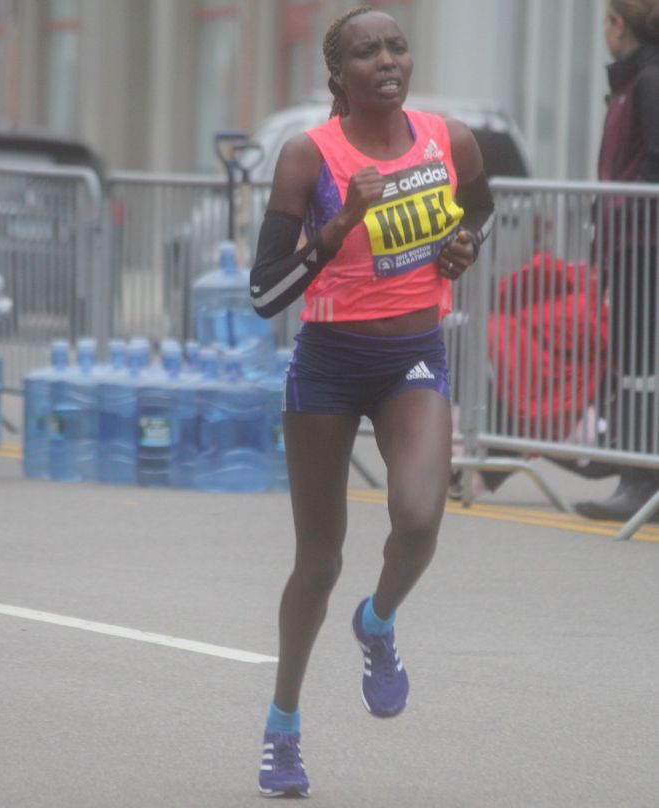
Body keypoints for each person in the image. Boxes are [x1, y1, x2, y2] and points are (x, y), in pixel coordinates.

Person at [249, 6, 494, 797]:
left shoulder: (448, 141)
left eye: (397, 46)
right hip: (327, 365)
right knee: (317, 563)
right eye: (367, 51)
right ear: (338, 75)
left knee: (419, 520)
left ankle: (379, 622)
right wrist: (341, 222)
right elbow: (265, 292)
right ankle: (283, 725)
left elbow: (478, 210)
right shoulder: (306, 155)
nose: (387, 59)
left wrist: (463, 246)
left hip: (411, 357)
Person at [575, 0, 659, 521]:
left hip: (645, 245)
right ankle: (629, 464)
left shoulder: (648, 82)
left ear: (617, 26)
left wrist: (623, 212)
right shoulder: (632, 83)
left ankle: (639, 478)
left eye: (606, 21)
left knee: (641, 367)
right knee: (632, 364)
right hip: (630, 242)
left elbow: (651, 166)